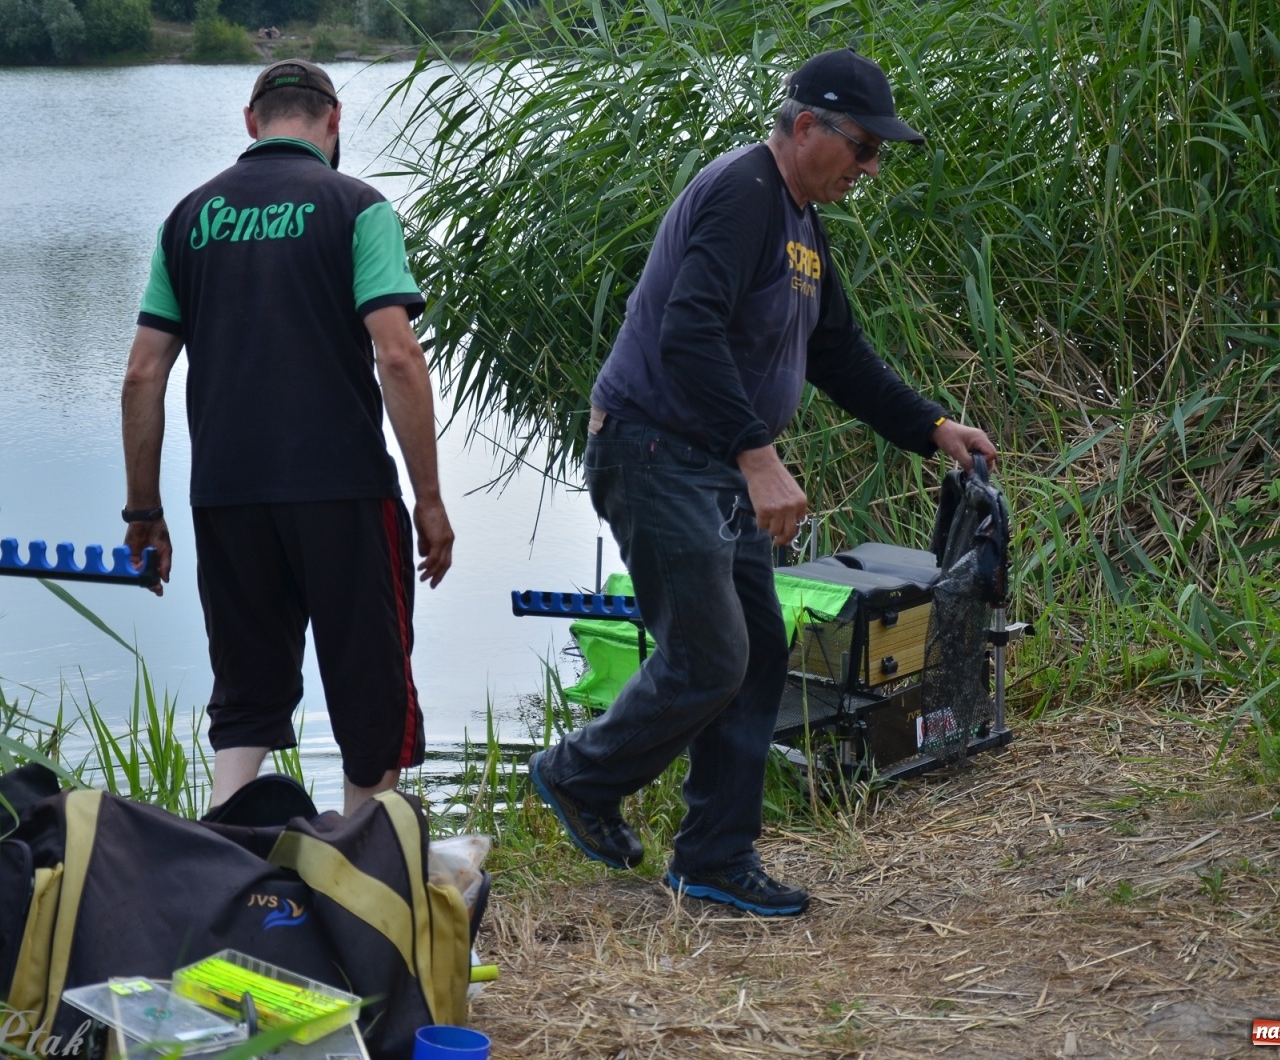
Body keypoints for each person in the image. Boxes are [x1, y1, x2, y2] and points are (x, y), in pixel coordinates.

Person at [529, 48, 997, 916]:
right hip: (655, 453)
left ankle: (713, 857)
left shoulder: (803, 226)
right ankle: (578, 774)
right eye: (862, 148)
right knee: (711, 655)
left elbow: (839, 355)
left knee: (754, 656)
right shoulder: (743, 193)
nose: (870, 168)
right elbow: (687, 332)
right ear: (808, 125)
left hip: (708, 465)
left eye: (878, 155)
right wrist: (758, 456)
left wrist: (931, 429)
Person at [120, 59, 454, 818]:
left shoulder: (188, 219)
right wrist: (429, 500)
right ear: (333, 123)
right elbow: (398, 355)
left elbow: (142, 376)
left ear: (251, 122)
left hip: (227, 494)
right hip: (342, 491)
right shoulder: (357, 207)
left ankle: (221, 867)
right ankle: (367, 882)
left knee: (245, 700)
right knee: (370, 696)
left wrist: (144, 512)